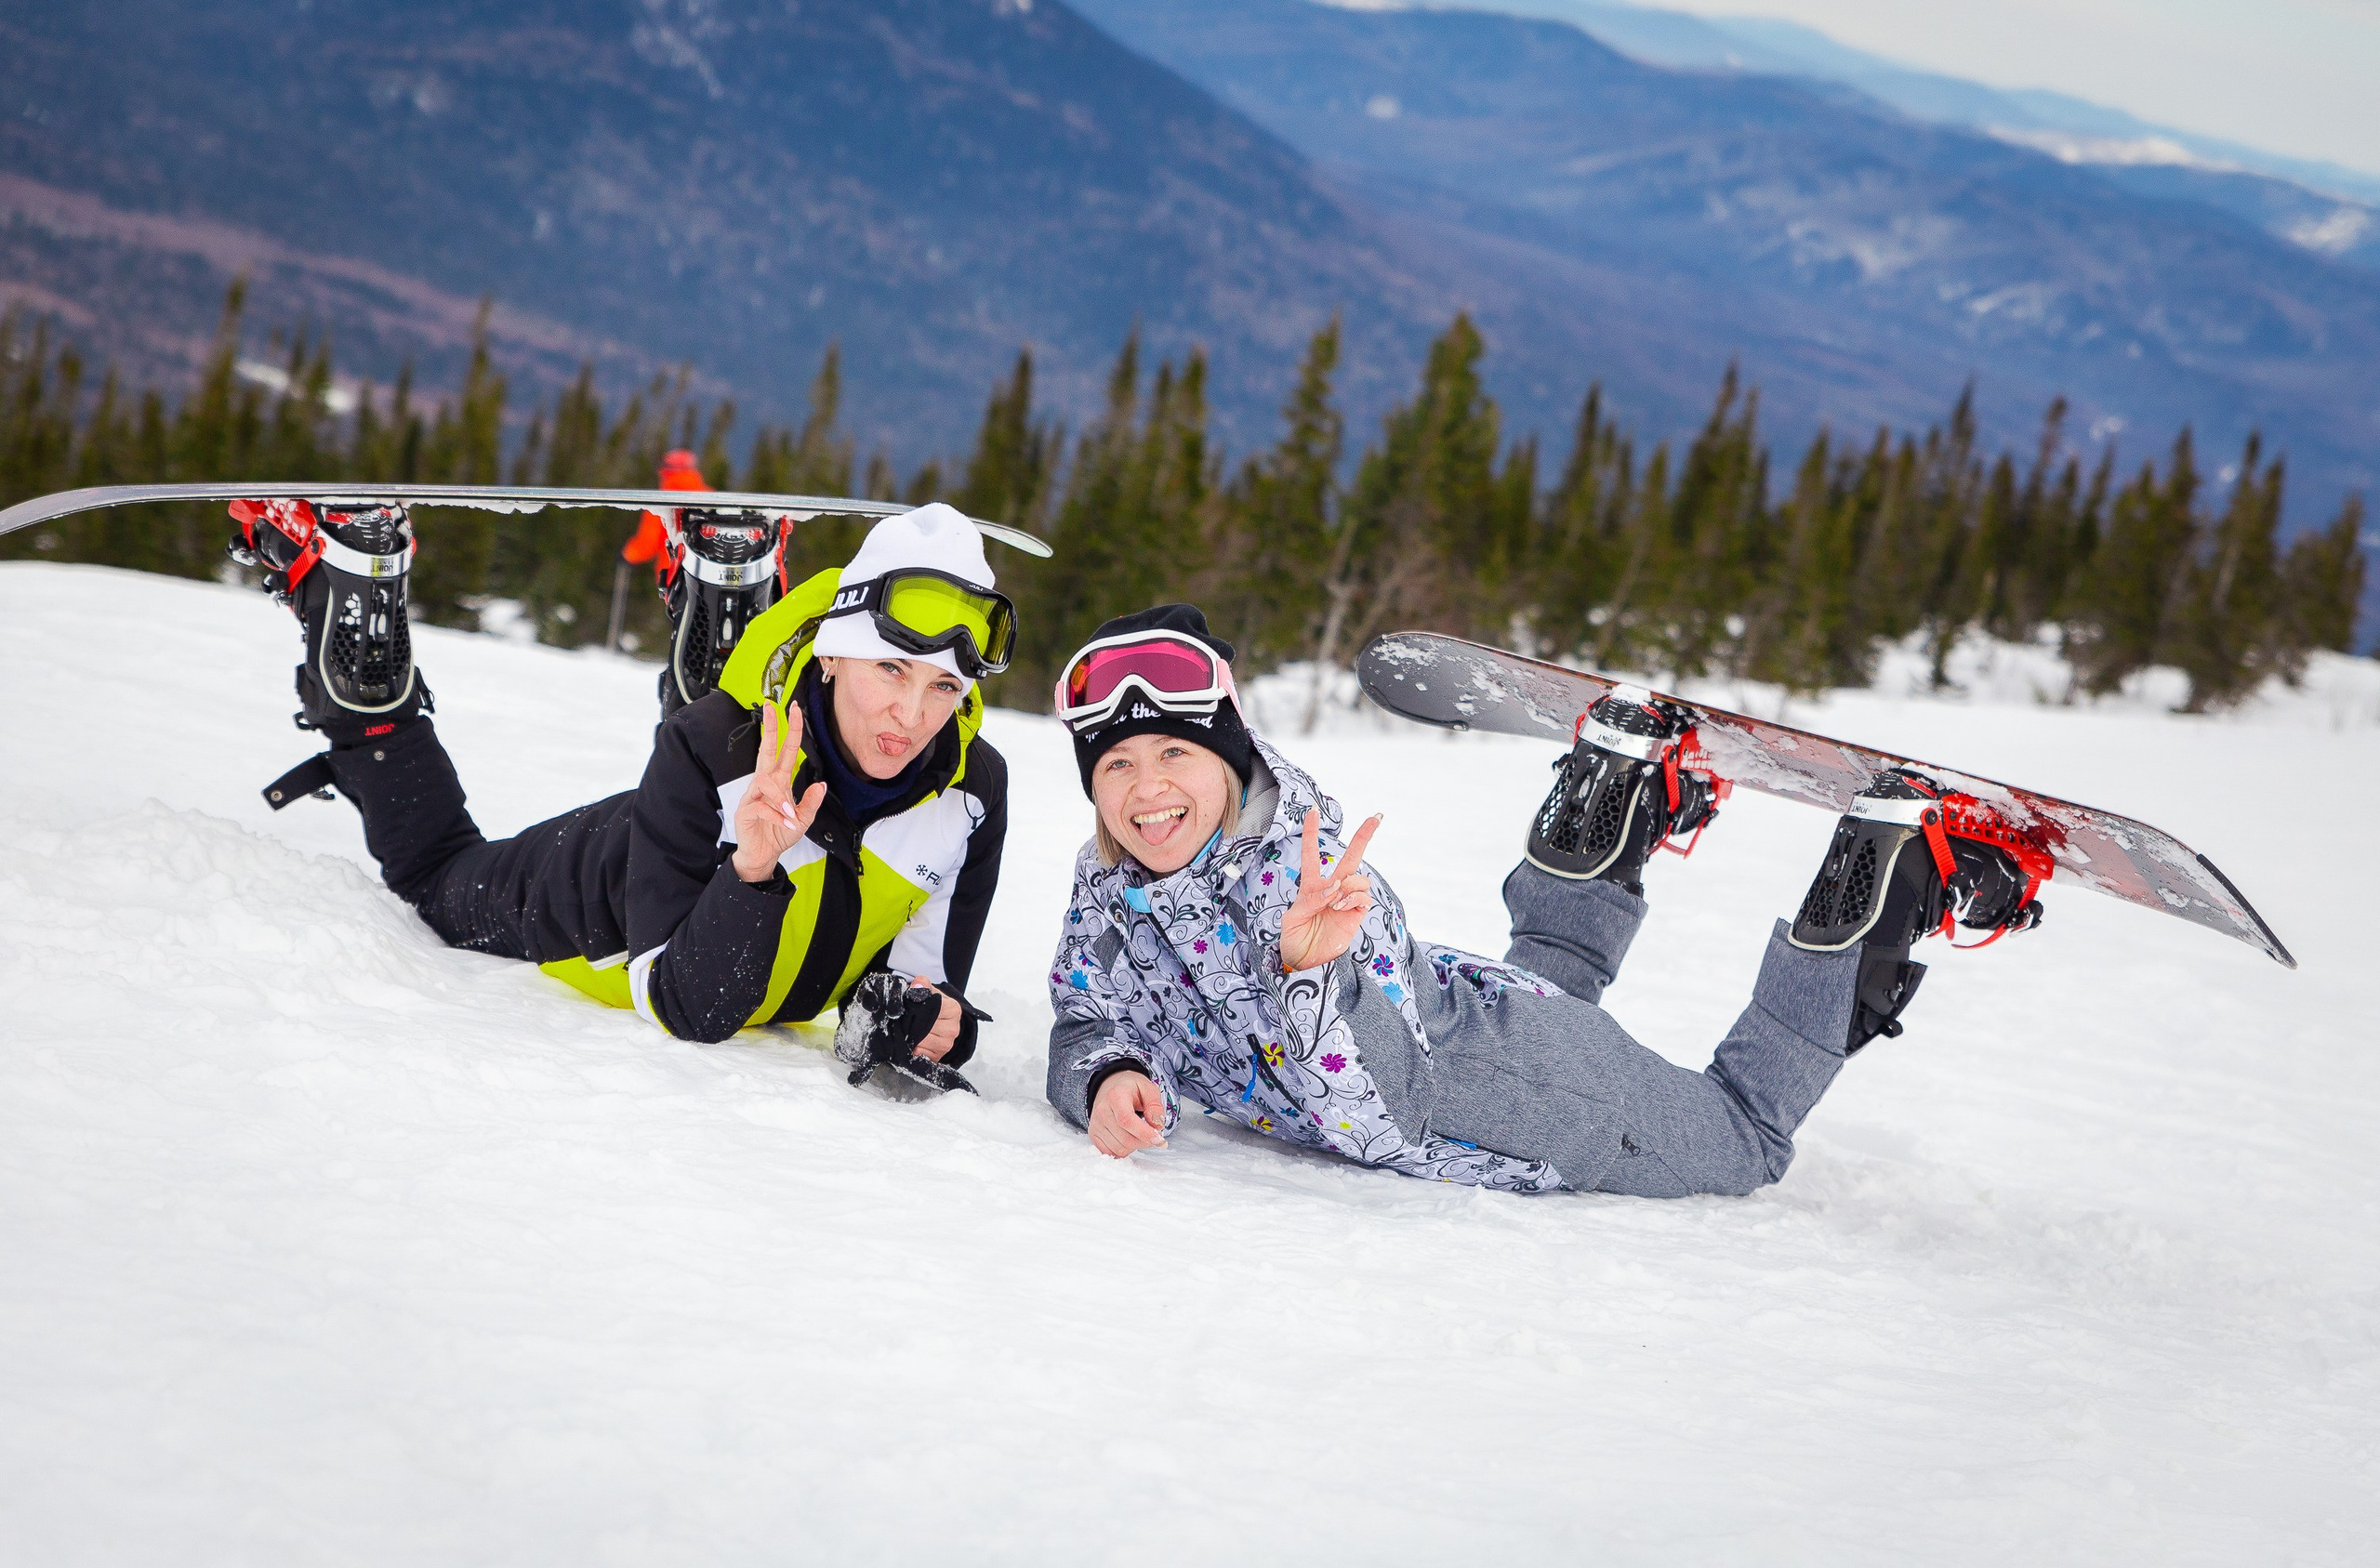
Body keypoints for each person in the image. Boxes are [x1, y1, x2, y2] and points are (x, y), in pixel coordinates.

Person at [1041, 605, 2045, 1193]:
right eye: (1117, 763)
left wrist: (1311, 975)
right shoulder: (1114, 884)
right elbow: (1088, 1009)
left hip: (1520, 1102)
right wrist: (1105, 1074)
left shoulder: (1311, 884)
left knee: (1744, 1139)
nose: (1147, 789)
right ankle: (1612, 793)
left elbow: (1385, 1111)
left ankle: (1891, 875)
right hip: (1486, 1013)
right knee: (1542, 997)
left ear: (1231, 758)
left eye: (1174, 753)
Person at [228, 495, 1014, 1072]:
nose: (911, 716)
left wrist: (933, 1023)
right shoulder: (708, 749)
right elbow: (688, 1005)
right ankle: (361, 661)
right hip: (587, 900)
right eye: (891, 669)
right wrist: (752, 869)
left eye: (944, 687)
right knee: (436, 877)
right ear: (833, 652)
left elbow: (915, 986)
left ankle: (723, 587)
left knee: (723, 747)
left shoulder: (972, 792)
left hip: (704, 817)